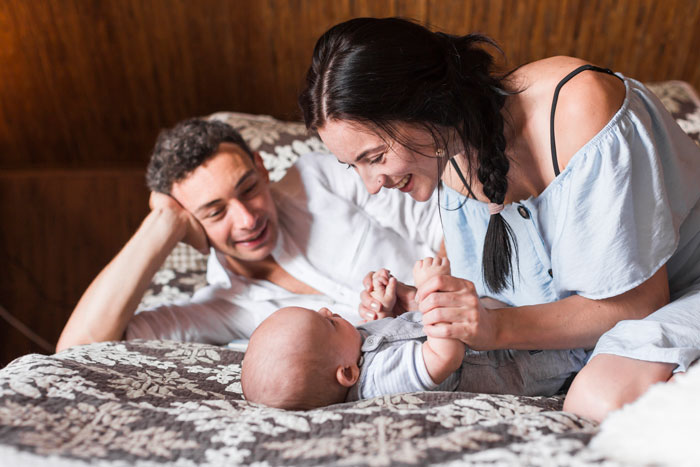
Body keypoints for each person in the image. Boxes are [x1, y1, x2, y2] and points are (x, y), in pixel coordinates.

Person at [297, 17, 700, 421]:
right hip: (604, 325)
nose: (372, 185)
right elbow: (501, 281)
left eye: (376, 158)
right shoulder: (446, 152)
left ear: (426, 107)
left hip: (679, 290)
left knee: (598, 398)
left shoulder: (578, 107)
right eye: (355, 166)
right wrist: (424, 302)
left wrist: (496, 328)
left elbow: (637, 303)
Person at [56, 118, 442, 351]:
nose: (246, 219)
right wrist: (163, 224)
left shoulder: (320, 177)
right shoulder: (222, 306)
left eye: (248, 189)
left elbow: (444, 220)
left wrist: (429, 295)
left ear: (260, 166)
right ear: (191, 223)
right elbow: (79, 348)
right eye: (216, 211)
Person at [242, 257, 579, 410]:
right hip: (522, 362)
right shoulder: (377, 381)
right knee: (575, 345)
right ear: (347, 374)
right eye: (327, 323)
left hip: (501, 324)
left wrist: (391, 311)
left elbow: (404, 337)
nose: (328, 310)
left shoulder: (350, 350)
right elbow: (444, 356)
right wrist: (432, 289)